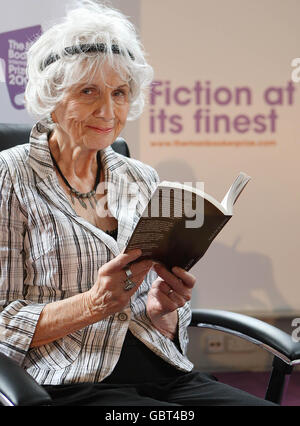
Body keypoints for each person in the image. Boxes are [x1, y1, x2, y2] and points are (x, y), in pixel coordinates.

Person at [0, 1, 274, 406]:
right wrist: (91, 305)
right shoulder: (10, 175)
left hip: (166, 374)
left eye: (120, 93)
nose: (108, 111)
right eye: (88, 91)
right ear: (53, 96)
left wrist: (163, 311)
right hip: (70, 382)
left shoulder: (140, 177)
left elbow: (159, 313)